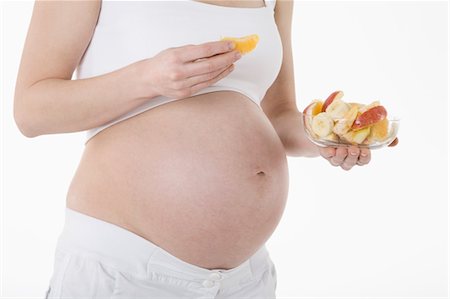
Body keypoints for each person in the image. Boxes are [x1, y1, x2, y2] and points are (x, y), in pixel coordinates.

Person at [14, 0, 394, 297]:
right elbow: (31, 111)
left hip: (245, 280)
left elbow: (278, 116)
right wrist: (148, 78)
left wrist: (329, 136)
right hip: (126, 271)